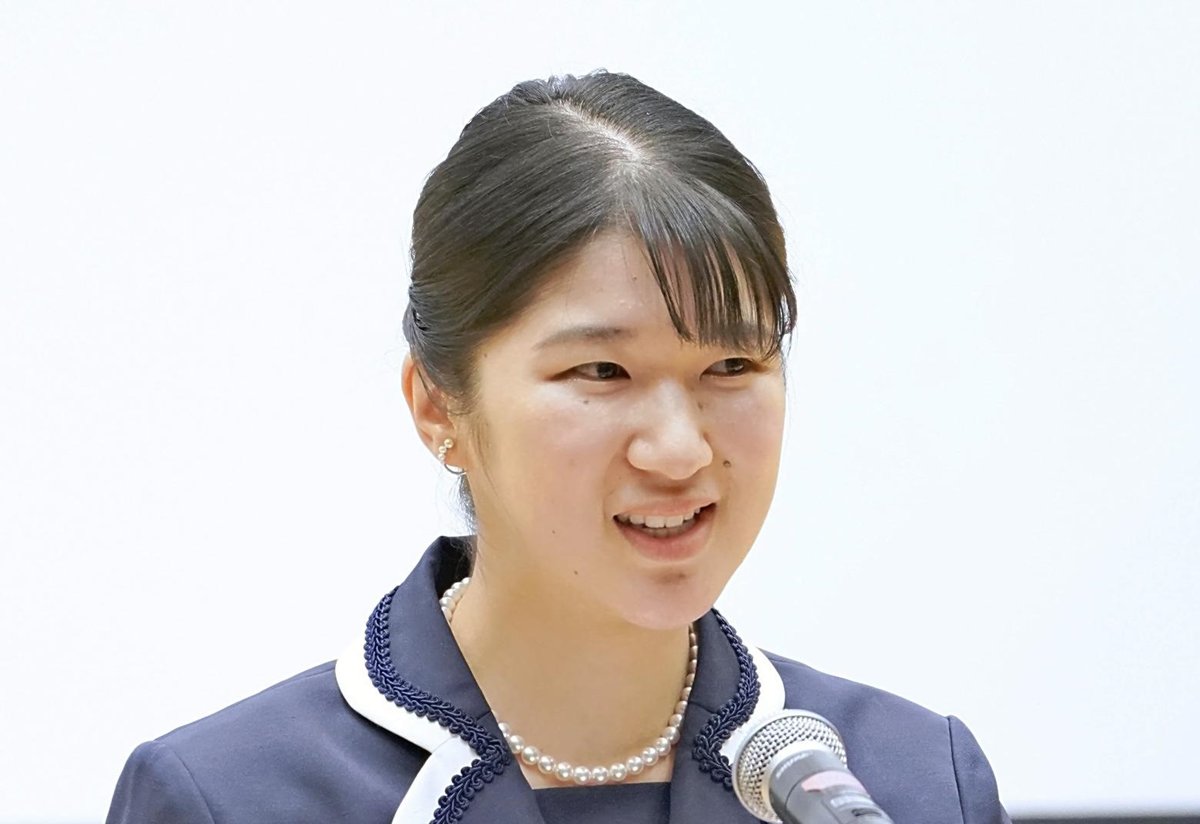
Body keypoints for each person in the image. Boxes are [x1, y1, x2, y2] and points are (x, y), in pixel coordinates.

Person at [106, 71, 1011, 824]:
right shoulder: (229, 799)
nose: (677, 448)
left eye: (732, 363)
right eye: (601, 372)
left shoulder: (913, 784)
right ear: (438, 406)